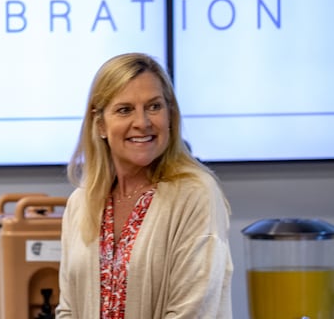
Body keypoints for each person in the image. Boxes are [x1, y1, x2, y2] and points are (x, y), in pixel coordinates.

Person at [56, 53, 233, 318]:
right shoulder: (81, 203)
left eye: (154, 106)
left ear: (170, 115)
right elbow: (67, 309)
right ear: (101, 124)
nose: (142, 123)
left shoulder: (196, 195)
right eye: (125, 109)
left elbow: (192, 311)